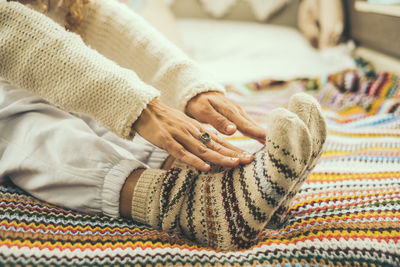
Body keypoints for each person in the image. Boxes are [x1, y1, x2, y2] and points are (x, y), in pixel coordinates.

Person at [0, 0, 326, 250]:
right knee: (26, 121)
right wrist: (136, 106)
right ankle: (188, 207)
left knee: (95, 111)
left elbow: (96, 17)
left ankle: (219, 184)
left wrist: (189, 87)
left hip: (41, 77)